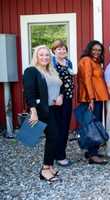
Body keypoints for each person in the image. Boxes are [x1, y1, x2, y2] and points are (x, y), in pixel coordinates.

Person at [23, 45, 63, 182]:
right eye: (41, 55)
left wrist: (60, 97)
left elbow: (58, 87)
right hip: (42, 109)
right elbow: (29, 93)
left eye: (47, 55)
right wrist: (33, 112)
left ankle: (50, 166)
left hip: (54, 108)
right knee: (53, 136)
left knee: (55, 136)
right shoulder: (31, 71)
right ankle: (45, 169)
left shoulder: (52, 71)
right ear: (36, 57)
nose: (45, 57)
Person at [77, 40, 109, 164]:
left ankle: (92, 151)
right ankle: (92, 155)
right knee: (92, 127)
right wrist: (91, 99)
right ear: (89, 49)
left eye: (99, 50)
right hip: (91, 99)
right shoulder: (86, 60)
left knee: (94, 124)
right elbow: (87, 80)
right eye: (94, 49)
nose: (96, 52)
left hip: (97, 98)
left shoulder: (95, 62)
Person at [51, 39, 74, 166]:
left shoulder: (68, 62)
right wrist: (59, 95)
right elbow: (54, 82)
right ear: (54, 51)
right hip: (57, 100)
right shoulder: (53, 63)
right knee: (59, 127)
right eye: (58, 49)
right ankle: (59, 156)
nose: (62, 51)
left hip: (68, 99)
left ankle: (58, 152)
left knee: (65, 127)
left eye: (63, 48)